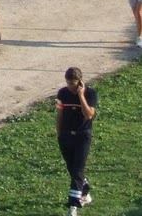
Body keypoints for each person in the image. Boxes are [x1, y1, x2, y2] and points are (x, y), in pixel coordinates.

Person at [56, 66, 99, 215]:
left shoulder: (90, 93)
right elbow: (60, 114)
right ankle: (85, 192)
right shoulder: (62, 93)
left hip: (82, 136)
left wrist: (81, 96)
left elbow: (89, 115)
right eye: (68, 83)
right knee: (73, 169)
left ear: (80, 82)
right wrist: (59, 133)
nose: (70, 87)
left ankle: (73, 206)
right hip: (66, 135)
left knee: (78, 170)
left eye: (73, 84)